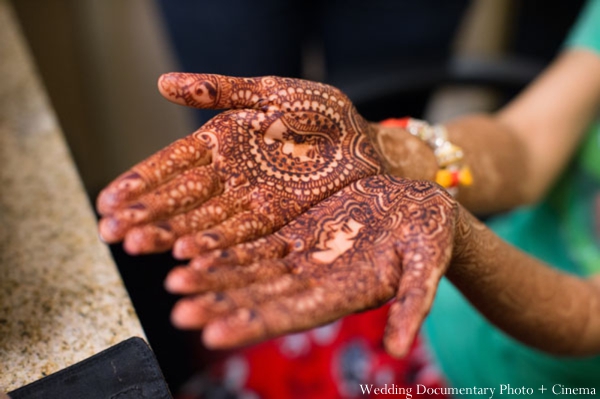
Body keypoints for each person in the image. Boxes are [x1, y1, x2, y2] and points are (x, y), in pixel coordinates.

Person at [96, 0, 600, 397]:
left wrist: (454, 232)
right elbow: (529, 145)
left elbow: (587, 315)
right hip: (431, 310)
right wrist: (390, 151)